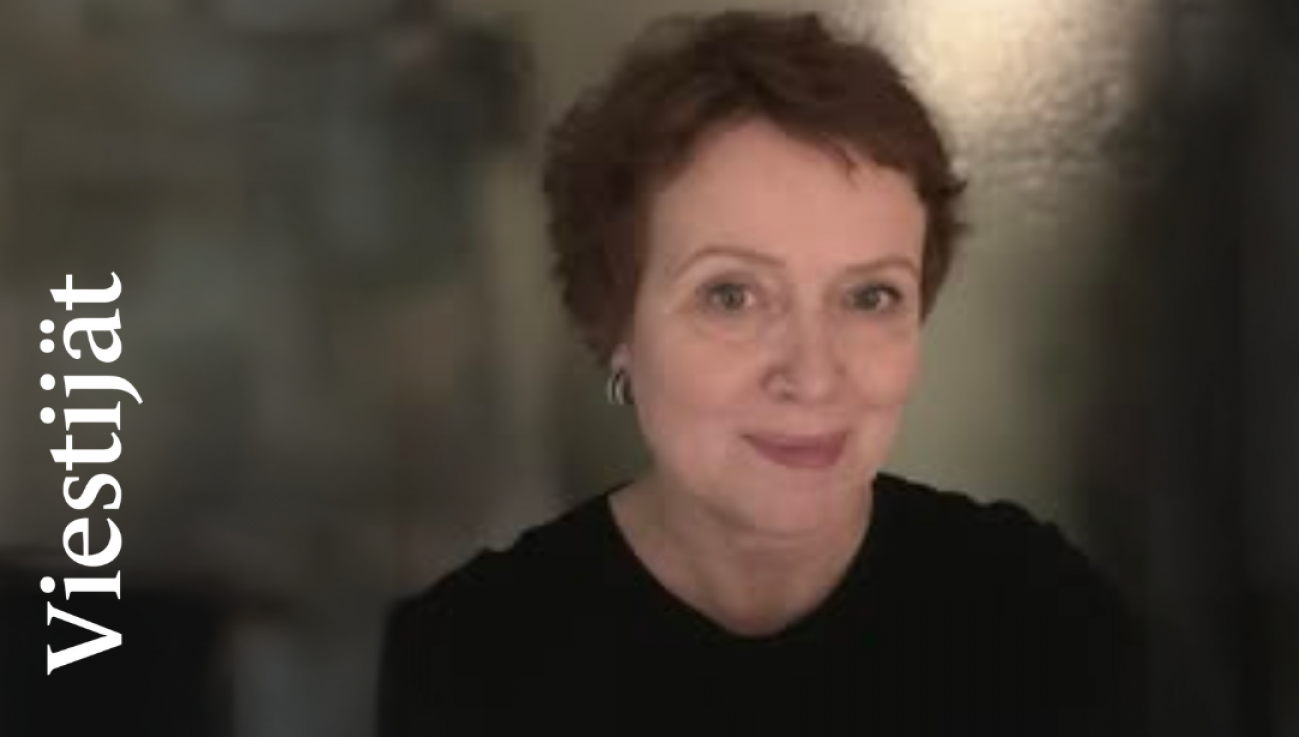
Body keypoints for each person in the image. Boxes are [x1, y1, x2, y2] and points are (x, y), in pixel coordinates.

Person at [376, 9, 1145, 736]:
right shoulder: (467, 662)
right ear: (616, 325)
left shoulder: (1041, 621)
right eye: (732, 296)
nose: (813, 375)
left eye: (870, 296)